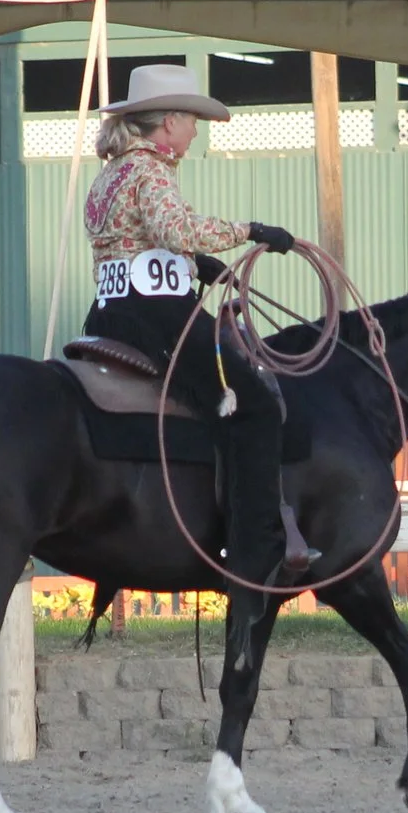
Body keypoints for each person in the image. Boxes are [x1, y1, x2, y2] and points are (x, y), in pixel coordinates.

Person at [82, 64, 300, 586]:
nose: (197, 131)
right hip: (156, 316)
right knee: (257, 405)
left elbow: (134, 240)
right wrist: (251, 230)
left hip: (109, 311)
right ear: (169, 122)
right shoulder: (152, 171)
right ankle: (256, 541)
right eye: (192, 120)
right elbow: (175, 228)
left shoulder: (113, 171)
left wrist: (193, 263)